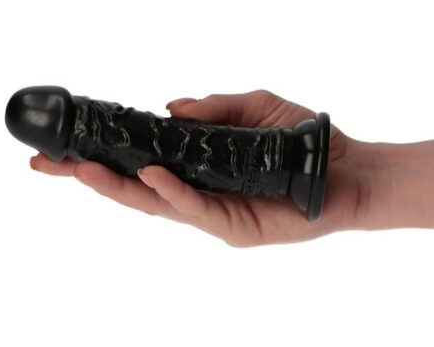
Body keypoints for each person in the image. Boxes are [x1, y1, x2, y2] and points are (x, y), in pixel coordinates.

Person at [29, 89, 434, 246]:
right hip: (287, 163)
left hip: (284, 162)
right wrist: (362, 182)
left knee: (160, 143)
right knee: (156, 144)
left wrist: (361, 185)